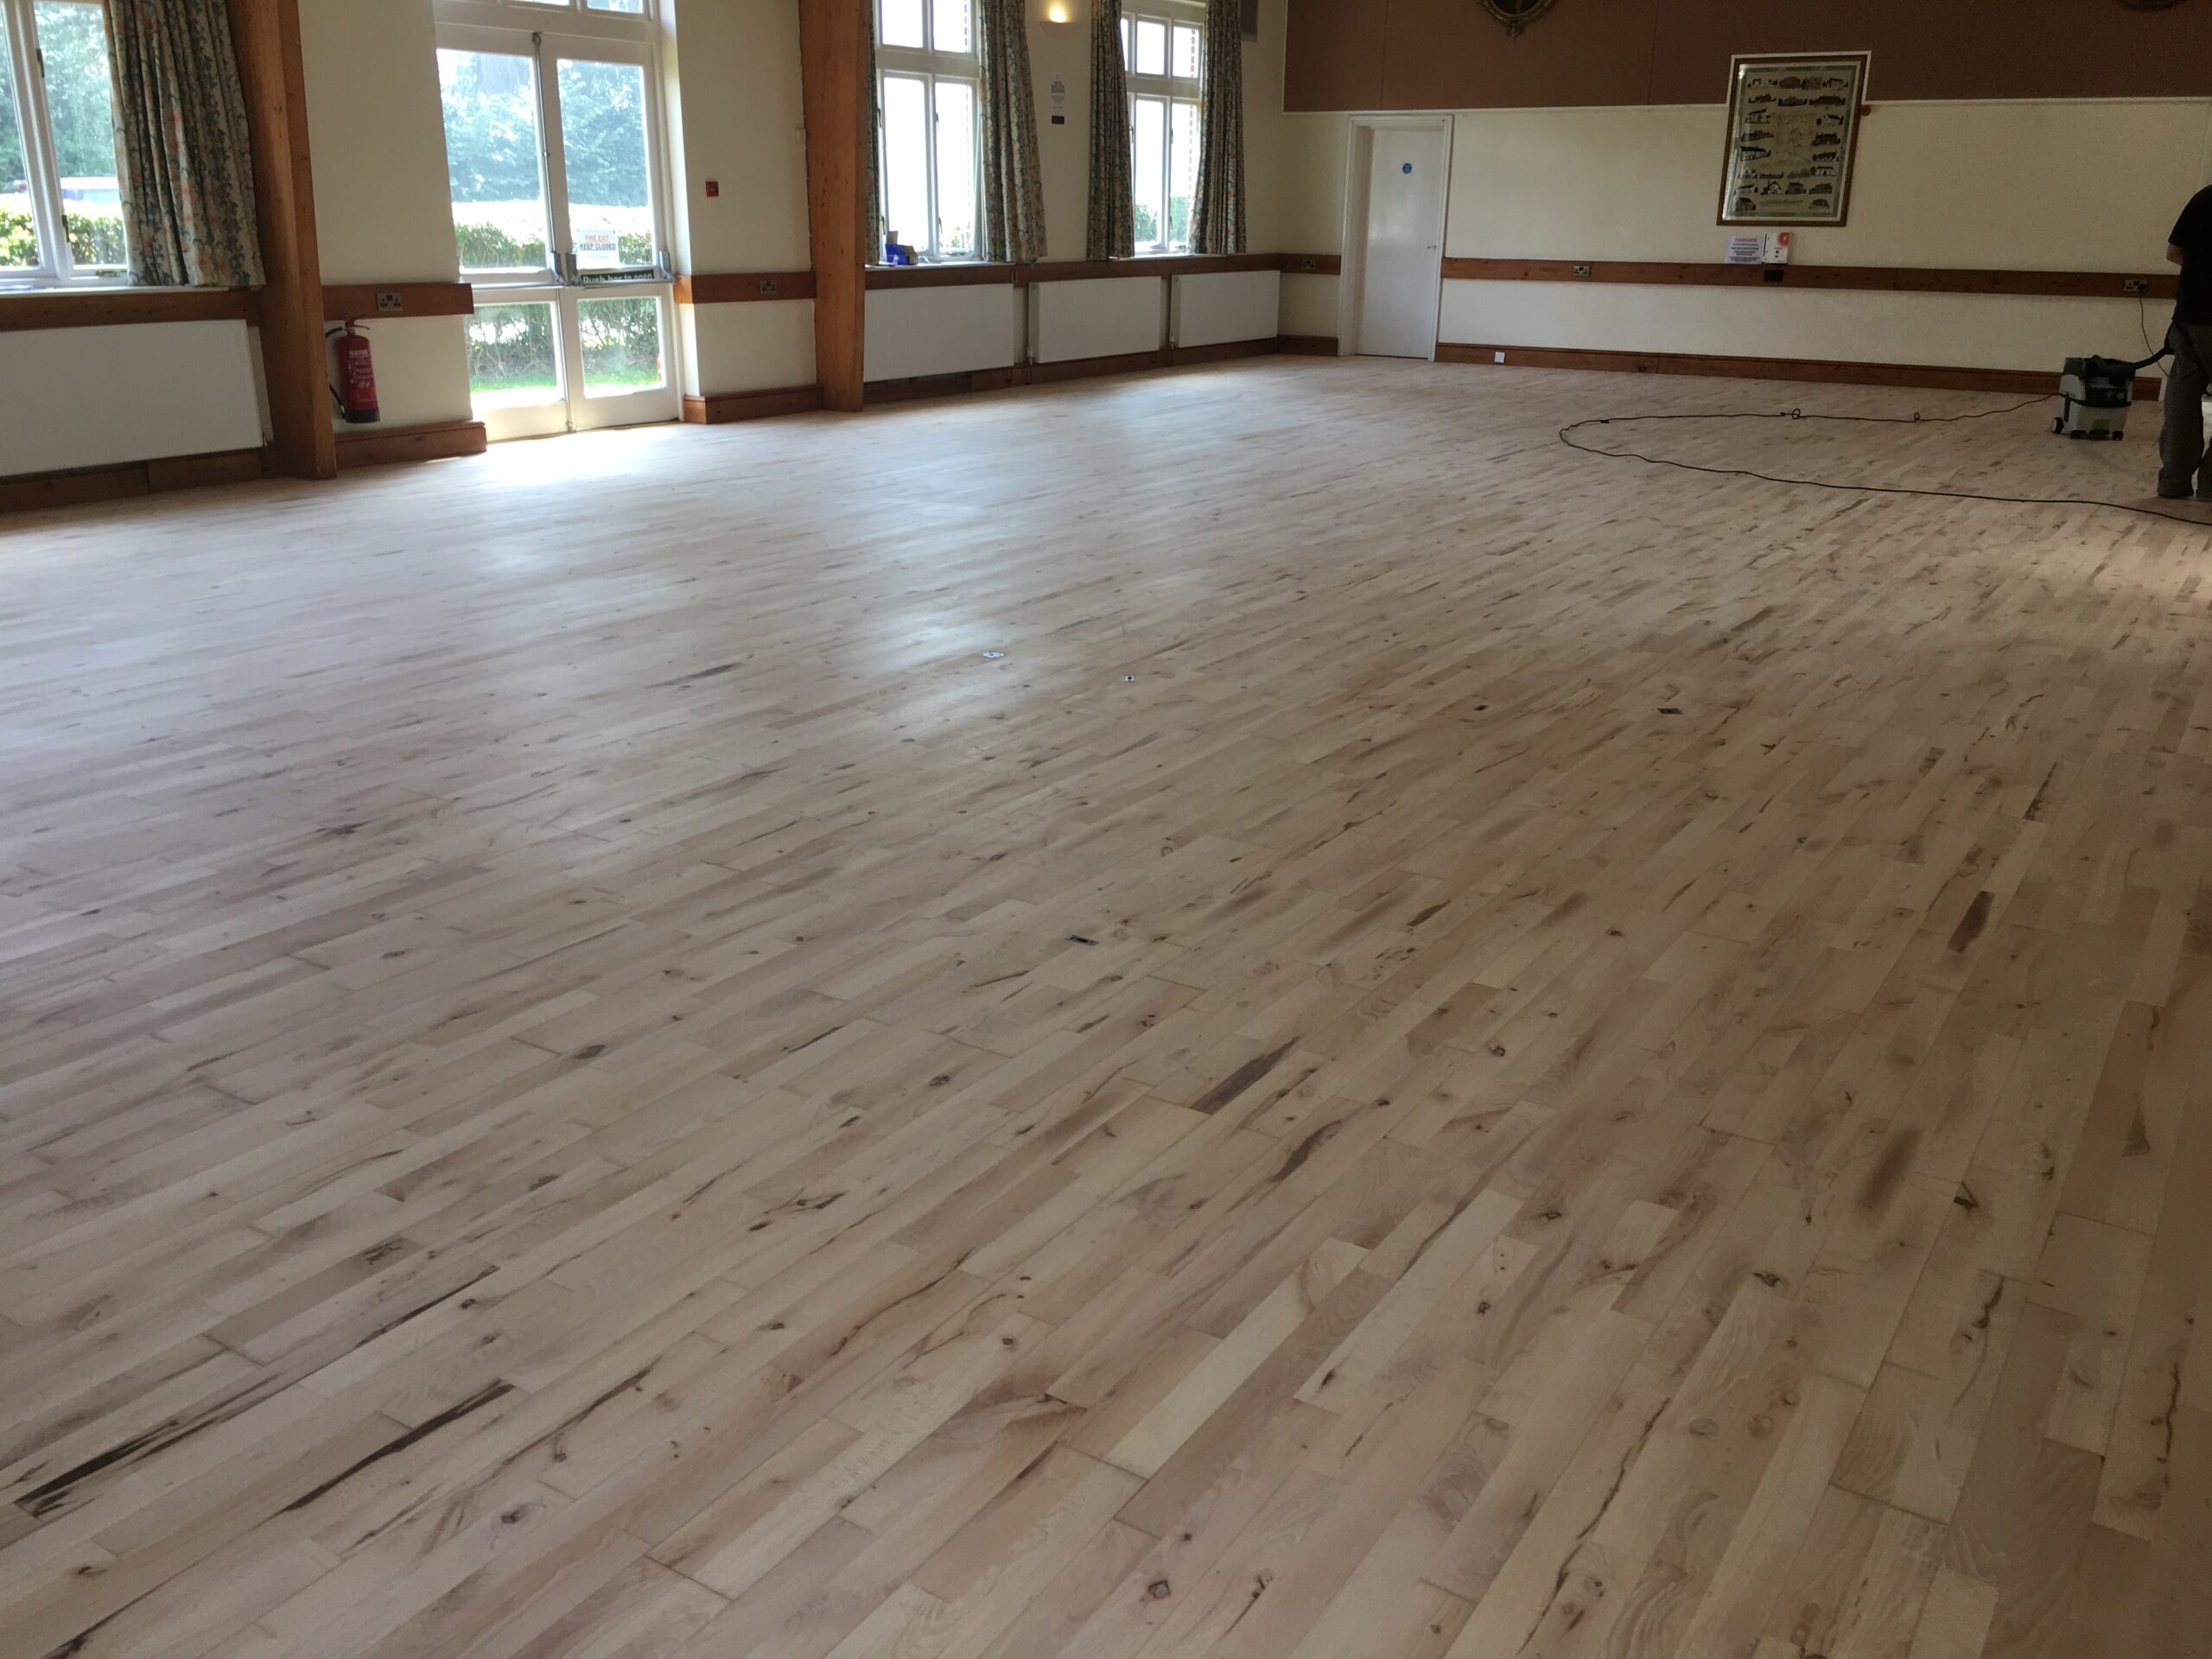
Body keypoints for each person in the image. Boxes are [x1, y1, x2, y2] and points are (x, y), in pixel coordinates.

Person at [2160, 183, 2212, 499]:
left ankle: (2173, 481)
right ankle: (2211, 487)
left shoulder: (2205, 197)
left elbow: (2173, 252)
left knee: (2181, 403)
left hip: (2189, 318)